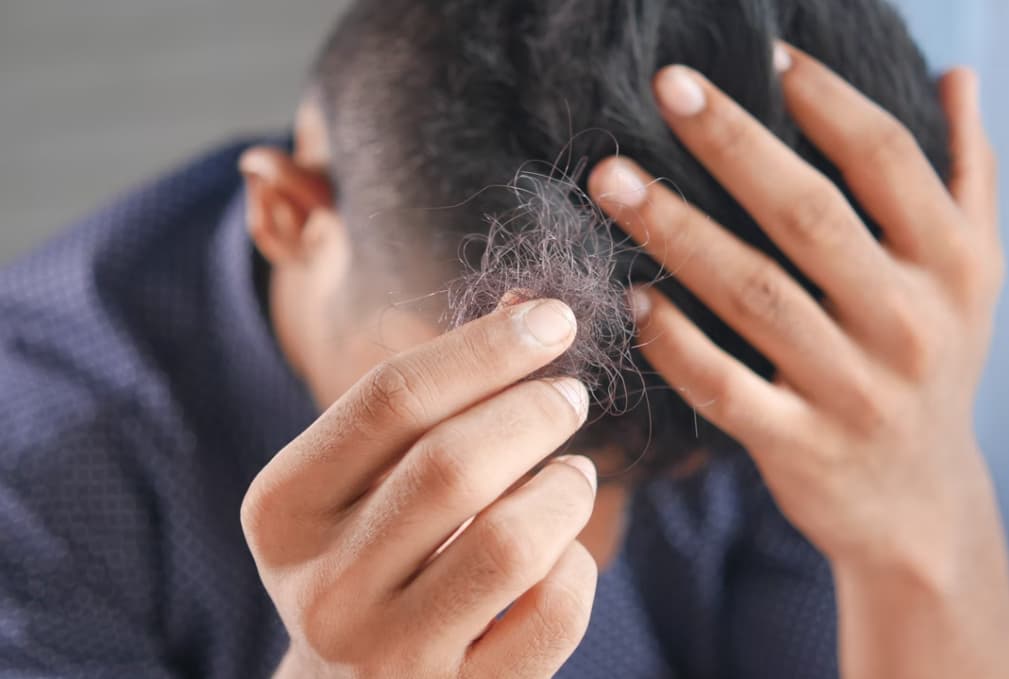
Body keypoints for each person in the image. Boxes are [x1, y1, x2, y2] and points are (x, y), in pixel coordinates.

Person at [1, 1, 1006, 678]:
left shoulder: (772, 353)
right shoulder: (34, 487)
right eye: (486, 411)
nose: (564, 561)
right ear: (290, 216)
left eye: (654, 476)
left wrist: (922, 527)